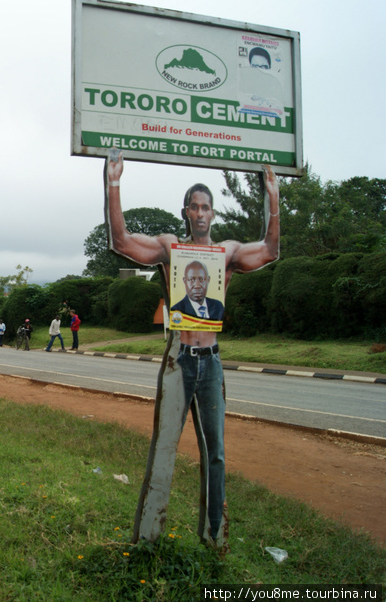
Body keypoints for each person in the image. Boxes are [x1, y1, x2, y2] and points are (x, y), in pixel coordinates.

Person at [105, 147, 279, 550]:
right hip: (178, 357)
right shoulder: (171, 248)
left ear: (212, 214)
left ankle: (215, 540)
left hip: (212, 361)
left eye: (206, 208)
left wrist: (273, 198)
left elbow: (270, 251)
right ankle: (147, 542)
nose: (200, 214)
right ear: (186, 212)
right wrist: (114, 182)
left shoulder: (227, 253)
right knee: (163, 449)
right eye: (194, 208)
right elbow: (122, 240)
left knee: (216, 454)